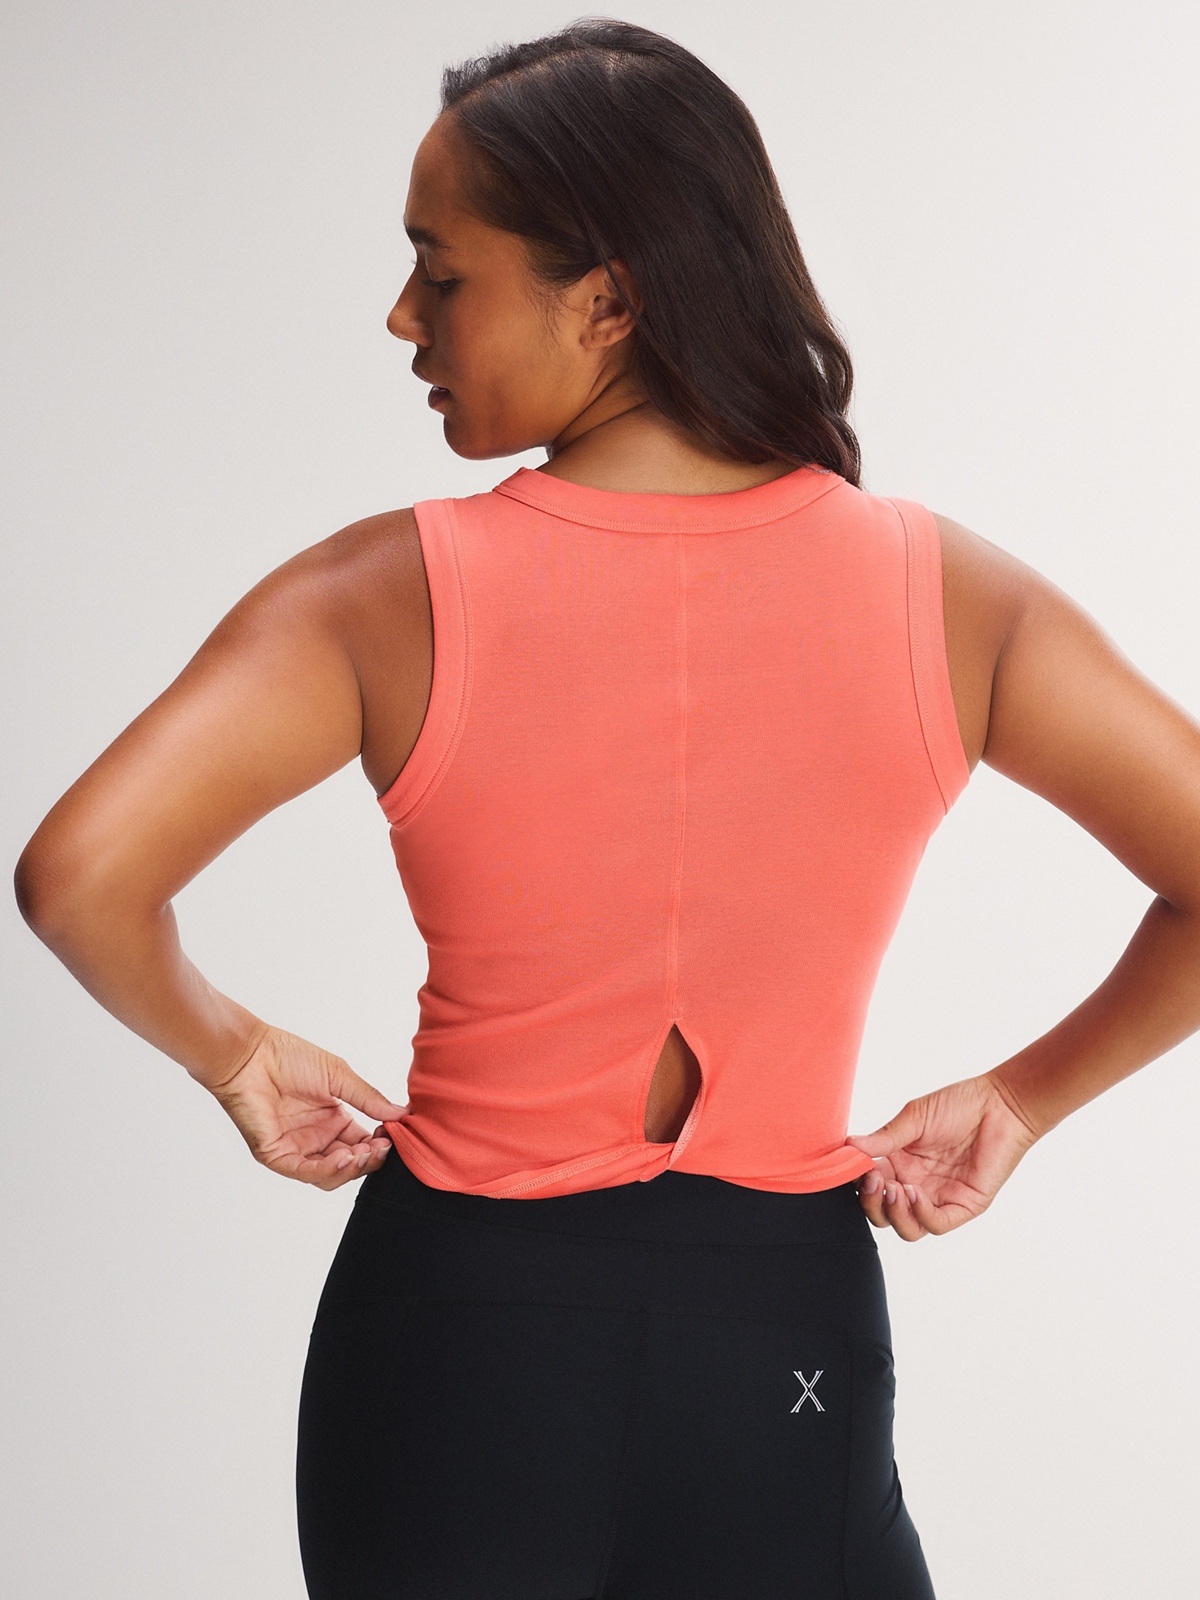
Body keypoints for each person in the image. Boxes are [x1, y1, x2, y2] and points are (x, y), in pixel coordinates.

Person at [14, 17, 1200, 1600]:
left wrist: (234, 1053)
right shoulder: (954, 598)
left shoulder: (380, 593)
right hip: (778, 1336)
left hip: (457, 1345)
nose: (402, 317)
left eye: (440, 273)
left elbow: (80, 877)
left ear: (610, 300)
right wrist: (1026, 1099)